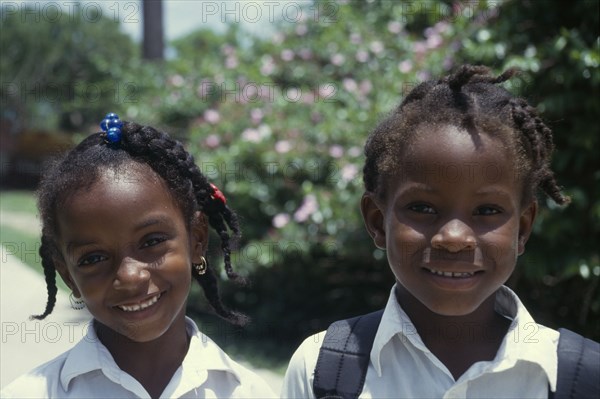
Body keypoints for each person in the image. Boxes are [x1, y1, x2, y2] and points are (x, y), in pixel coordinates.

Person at [281, 65, 598, 398]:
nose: (454, 238)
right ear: (377, 221)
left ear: (522, 228)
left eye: (487, 211)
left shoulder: (581, 378)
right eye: (422, 208)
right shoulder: (323, 368)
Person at [1, 113, 276, 398]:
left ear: (196, 240)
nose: (130, 277)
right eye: (93, 258)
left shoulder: (247, 392)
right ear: (68, 275)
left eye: (152, 241)